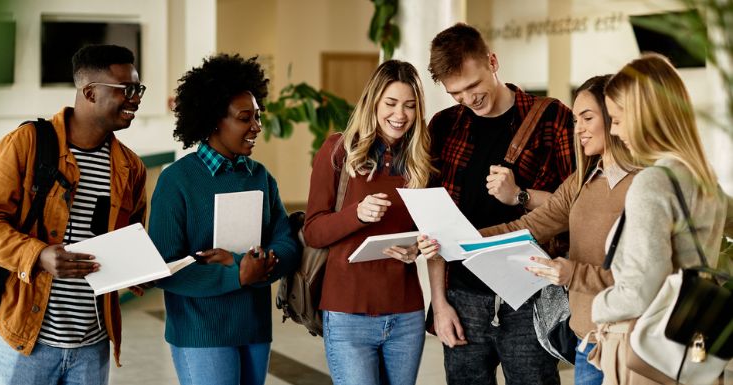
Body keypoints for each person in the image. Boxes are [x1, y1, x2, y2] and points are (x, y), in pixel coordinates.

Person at [0, 44, 148, 385]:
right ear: (90, 92)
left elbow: (131, 241)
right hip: (26, 343)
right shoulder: (27, 143)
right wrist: (38, 254)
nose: (136, 99)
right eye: (128, 89)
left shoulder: (130, 168)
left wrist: (146, 269)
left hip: (93, 347)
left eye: (139, 89)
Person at [419, 22, 575, 384]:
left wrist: (520, 196)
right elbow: (434, 225)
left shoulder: (552, 119)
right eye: (457, 93)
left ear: (492, 61)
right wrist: (440, 305)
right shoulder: (444, 126)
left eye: (473, 86)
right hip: (462, 296)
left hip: (530, 294)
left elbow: (574, 209)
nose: (469, 99)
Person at [460, 75, 640, 384]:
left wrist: (573, 274)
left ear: (616, 115)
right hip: (587, 340)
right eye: (575, 120)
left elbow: (643, 276)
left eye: (587, 118)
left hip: (631, 342)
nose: (578, 129)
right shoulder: (581, 181)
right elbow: (527, 227)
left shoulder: (645, 184)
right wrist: (459, 240)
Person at [148, 53, 300, 385]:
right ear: (216, 119)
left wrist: (255, 263)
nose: (257, 127)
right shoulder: (177, 181)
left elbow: (286, 242)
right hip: (200, 332)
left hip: (255, 328)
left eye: (258, 117)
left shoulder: (260, 176)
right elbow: (162, 269)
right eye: (245, 118)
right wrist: (237, 274)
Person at [590, 53, 727, 385]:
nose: (615, 131)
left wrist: (597, 306)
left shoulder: (653, 182)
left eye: (618, 119)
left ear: (646, 117)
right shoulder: (705, 181)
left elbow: (641, 290)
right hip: (695, 347)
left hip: (646, 350)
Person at [302, 60, 434, 385]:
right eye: (390, 103)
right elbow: (314, 231)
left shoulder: (420, 160)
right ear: (372, 102)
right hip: (348, 314)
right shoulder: (338, 151)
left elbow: (429, 228)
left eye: (410, 106)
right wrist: (356, 215)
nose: (400, 115)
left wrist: (417, 248)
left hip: (406, 313)